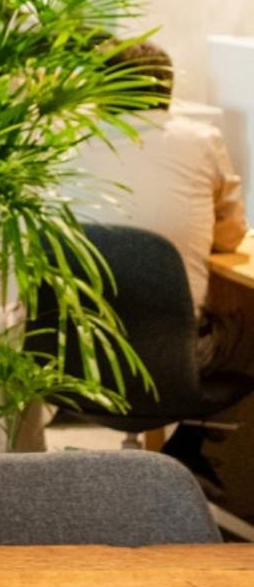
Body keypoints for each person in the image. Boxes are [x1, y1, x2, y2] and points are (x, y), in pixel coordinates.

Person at [69, 41, 252, 377]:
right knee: (244, 325)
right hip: (174, 359)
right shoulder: (201, 141)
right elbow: (229, 237)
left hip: (79, 356)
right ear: (167, 88)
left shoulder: (72, 142)